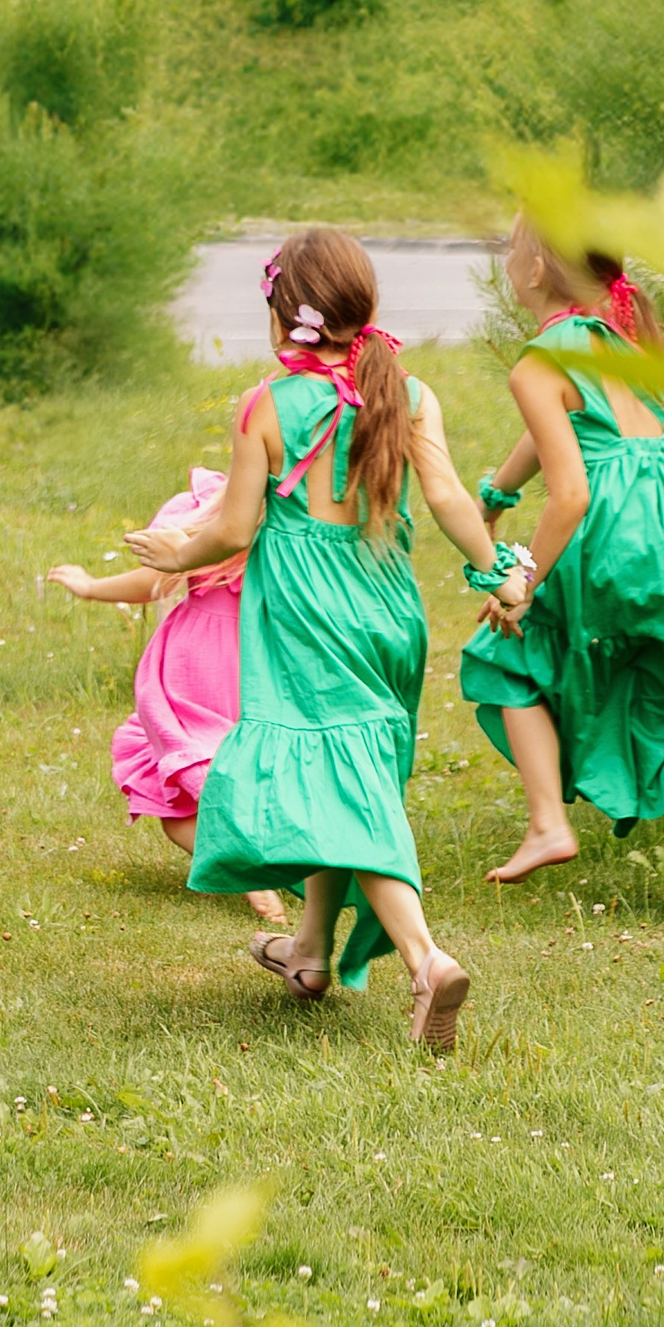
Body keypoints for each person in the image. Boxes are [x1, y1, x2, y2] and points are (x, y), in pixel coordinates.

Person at [128, 227, 531, 1053]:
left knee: (338, 780)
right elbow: (448, 496)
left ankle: (425, 960)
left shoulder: (266, 404)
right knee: (342, 772)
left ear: (283, 315)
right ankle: (309, 951)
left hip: (304, 612)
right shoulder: (408, 391)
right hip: (387, 607)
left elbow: (234, 527)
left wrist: (176, 552)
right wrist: (497, 573)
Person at [463, 220, 664, 929]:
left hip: (607, 524)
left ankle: (548, 824)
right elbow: (555, 431)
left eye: (512, 249)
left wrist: (523, 580)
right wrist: (497, 494)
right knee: (662, 696)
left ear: (537, 268)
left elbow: (570, 493)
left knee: (505, 653)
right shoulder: (622, 341)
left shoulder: (540, 361)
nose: (507, 261)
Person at [48, 469, 288, 924]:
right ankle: (287, 867)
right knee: (255, 769)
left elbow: (153, 582)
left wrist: (92, 587)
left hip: (197, 661)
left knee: (176, 798)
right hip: (266, 662)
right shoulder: (301, 516)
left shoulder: (207, 506)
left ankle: (248, 870)